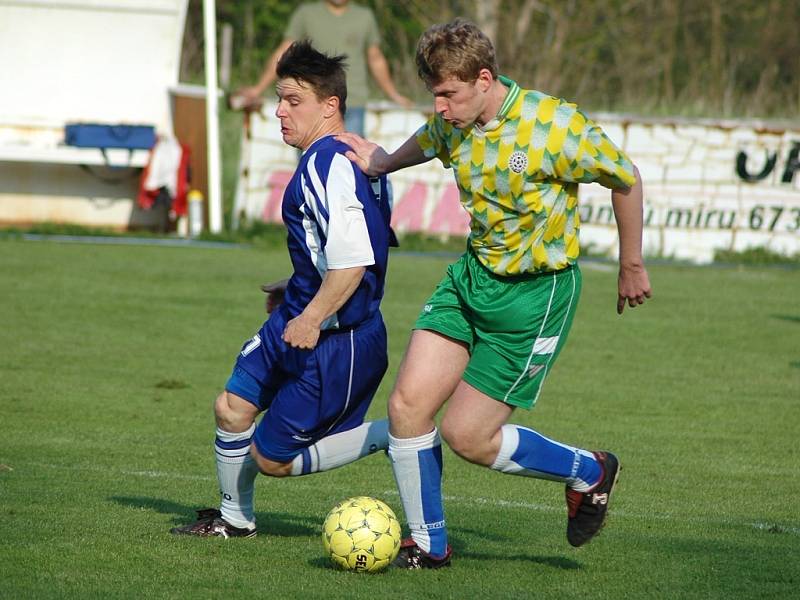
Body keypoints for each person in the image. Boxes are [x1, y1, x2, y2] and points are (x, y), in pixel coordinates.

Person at [337, 19, 652, 568]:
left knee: (468, 436)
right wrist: (382, 162)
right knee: (408, 406)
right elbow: (429, 142)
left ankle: (590, 471)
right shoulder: (453, 124)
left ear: (484, 79)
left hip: (535, 296)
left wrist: (630, 263)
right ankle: (429, 546)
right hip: (472, 278)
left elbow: (624, 177)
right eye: (433, 94)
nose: (439, 106)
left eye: (447, 94)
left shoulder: (553, 125)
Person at [171, 40, 395, 538]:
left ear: (329, 105)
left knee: (273, 461)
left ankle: (399, 433)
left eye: (293, 100)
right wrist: (298, 289)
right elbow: (347, 247)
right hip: (300, 312)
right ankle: (234, 521)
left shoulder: (329, 166)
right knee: (232, 407)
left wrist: (313, 314)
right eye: (279, 98)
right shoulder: (346, 156)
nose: (279, 111)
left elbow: (356, 260)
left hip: (339, 336)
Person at [235, 0, 413, 136]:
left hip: (352, 104)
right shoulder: (306, 13)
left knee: (351, 163)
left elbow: (375, 58)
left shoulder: (364, 16)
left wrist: (394, 95)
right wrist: (258, 88)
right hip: (312, 103)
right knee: (311, 164)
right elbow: (284, 52)